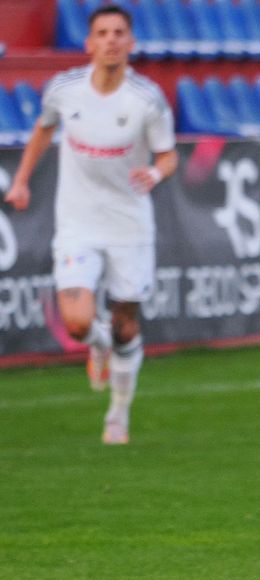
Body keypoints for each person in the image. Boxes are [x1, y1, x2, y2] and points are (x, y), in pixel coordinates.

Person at [3, 4, 177, 444]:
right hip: (78, 222)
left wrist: (155, 173)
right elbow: (43, 130)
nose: (111, 40)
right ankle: (98, 346)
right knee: (78, 323)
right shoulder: (64, 89)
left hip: (128, 224)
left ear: (131, 43)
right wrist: (21, 180)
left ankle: (118, 413)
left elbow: (169, 155)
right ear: (88, 44)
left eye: (119, 33)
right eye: (102, 33)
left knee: (126, 325)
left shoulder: (147, 99)